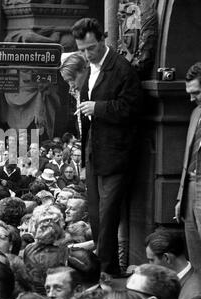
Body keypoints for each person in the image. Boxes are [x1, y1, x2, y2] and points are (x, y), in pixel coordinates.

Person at [72, 18, 143, 277]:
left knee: (108, 213)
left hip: (116, 153)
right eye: (81, 49)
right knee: (95, 213)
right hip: (94, 151)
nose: (86, 54)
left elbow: (132, 108)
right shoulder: (89, 69)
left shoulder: (121, 68)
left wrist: (98, 108)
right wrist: (82, 160)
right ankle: (110, 266)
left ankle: (101, 271)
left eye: (90, 48)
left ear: (102, 39)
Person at [175, 62, 201, 271]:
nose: (191, 98)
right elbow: (188, 158)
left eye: (197, 93)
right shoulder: (195, 115)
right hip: (191, 190)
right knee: (195, 256)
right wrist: (180, 198)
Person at [145, 229, 201, 299]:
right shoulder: (167, 281)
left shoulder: (194, 295)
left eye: (151, 260)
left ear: (166, 258)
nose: (150, 266)